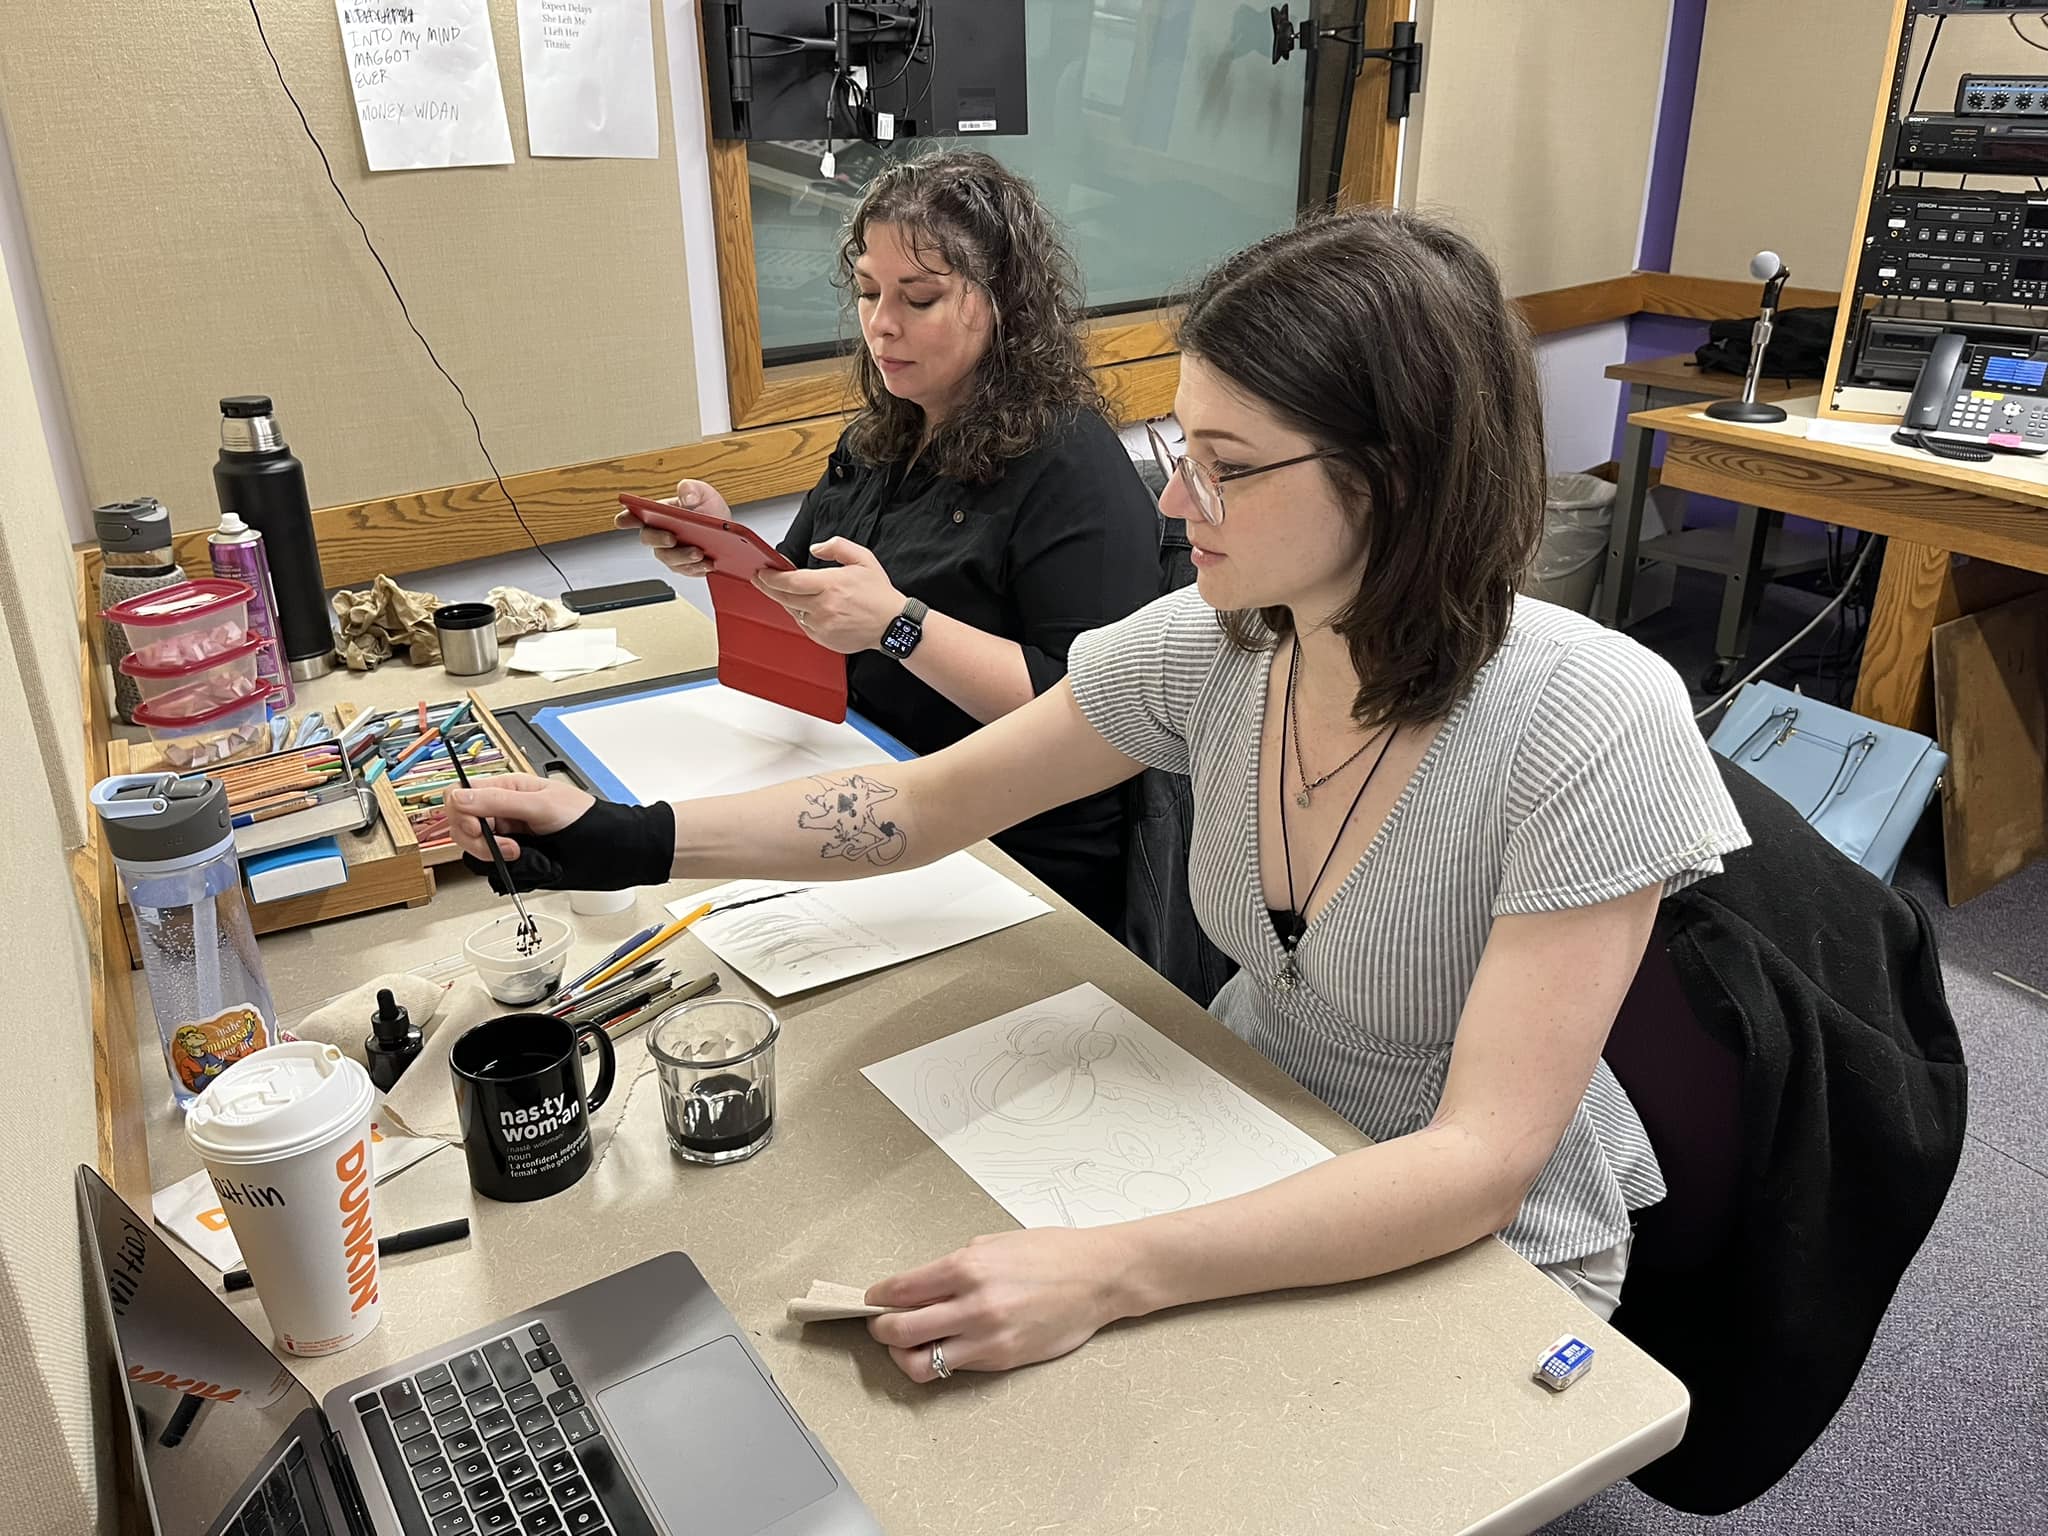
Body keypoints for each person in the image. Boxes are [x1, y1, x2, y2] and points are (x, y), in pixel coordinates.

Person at [460, 206, 1749, 1383]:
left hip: (1482, 1237)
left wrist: (1114, 1268)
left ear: (1395, 477)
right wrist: (617, 838)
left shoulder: (1587, 717)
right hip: (1241, 1116)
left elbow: (1478, 1163)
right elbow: (916, 810)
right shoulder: (1220, 638)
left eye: (1226, 466)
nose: (1178, 502)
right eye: (1176, 449)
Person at [616, 151, 1161, 932]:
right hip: (864, 774)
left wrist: (899, 626)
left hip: (1010, 848)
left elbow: (1094, 714)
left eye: (920, 297)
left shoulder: (1071, 462)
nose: (882, 324)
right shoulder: (881, 436)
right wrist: (724, 544)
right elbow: (802, 597)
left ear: (1003, 302)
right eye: (868, 292)